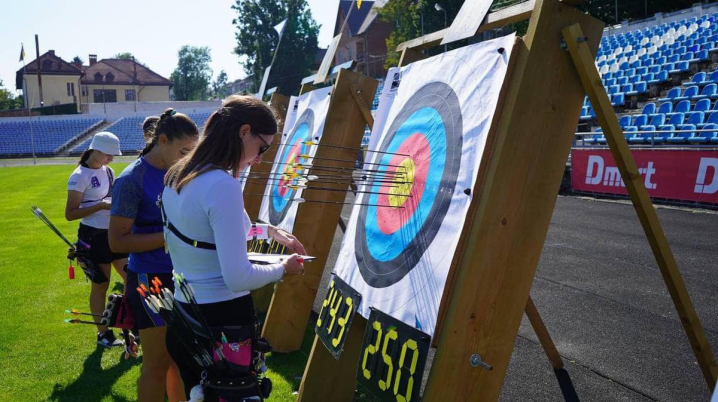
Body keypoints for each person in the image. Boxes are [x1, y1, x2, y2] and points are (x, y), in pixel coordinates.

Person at [162, 95, 306, 398]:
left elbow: (204, 229)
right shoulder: (221, 184)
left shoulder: (180, 173)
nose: (260, 158)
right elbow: (238, 277)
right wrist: (283, 268)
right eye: (262, 146)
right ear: (244, 132)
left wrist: (269, 231)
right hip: (222, 322)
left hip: (186, 315)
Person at [109, 109, 199, 402]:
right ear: (162, 139)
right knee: (157, 363)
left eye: (192, 151)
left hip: (183, 275)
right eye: (184, 150)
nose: (188, 157)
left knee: (180, 360)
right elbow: (117, 241)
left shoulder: (183, 171)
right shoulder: (132, 179)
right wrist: (171, 236)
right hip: (150, 280)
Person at [65, 132, 128, 348]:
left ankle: (130, 324)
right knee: (101, 285)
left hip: (114, 232)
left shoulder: (108, 171)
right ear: (97, 150)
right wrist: (101, 205)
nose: (111, 160)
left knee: (131, 277)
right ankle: (103, 333)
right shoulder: (78, 175)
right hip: (93, 235)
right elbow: (70, 213)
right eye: (108, 155)